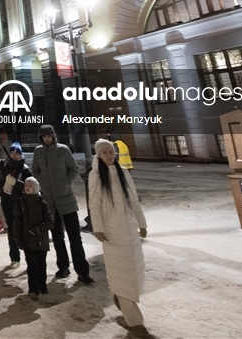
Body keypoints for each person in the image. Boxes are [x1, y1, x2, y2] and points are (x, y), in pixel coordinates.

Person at [90, 138, 149, 337]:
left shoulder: (124, 173)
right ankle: (135, 323)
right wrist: (98, 227)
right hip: (112, 232)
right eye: (104, 152)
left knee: (133, 271)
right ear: (98, 155)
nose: (109, 155)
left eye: (111, 151)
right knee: (122, 272)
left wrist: (141, 223)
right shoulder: (96, 176)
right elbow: (94, 204)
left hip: (130, 230)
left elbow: (133, 199)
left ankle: (119, 295)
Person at [32, 124, 93, 284]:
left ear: (53, 136)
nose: (46, 138)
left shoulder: (63, 150)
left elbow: (73, 169)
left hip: (66, 199)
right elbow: (35, 171)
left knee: (75, 237)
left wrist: (66, 183)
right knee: (57, 236)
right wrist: (43, 184)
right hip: (49, 202)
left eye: (49, 136)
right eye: (44, 136)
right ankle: (63, 266)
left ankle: (82, 270)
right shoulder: (38, 151)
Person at [13, 176, 54, 299]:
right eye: (26, 185)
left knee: (41, 264)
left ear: (35, 188)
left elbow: (50, 221)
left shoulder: (42, 204)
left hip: (41, 240)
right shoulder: (21, 204)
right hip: (27, 241)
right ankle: (33, 289)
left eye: (30, 186)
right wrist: (18, 239)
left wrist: (38, 229)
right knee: (32, 266)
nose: (27, 188)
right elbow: (17, 223)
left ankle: (42, 285)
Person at [0, 141, 32, 268]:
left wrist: (15, 183)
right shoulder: (5, 167)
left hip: (20, 203)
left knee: (24, 229)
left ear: (20, 154)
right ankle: (15, 258)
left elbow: (29, 187)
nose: (14, 154)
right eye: (12, 152)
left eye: (16, 152)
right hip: (6, 202)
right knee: (11, 231)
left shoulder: (25, 169)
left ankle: (29, 257)